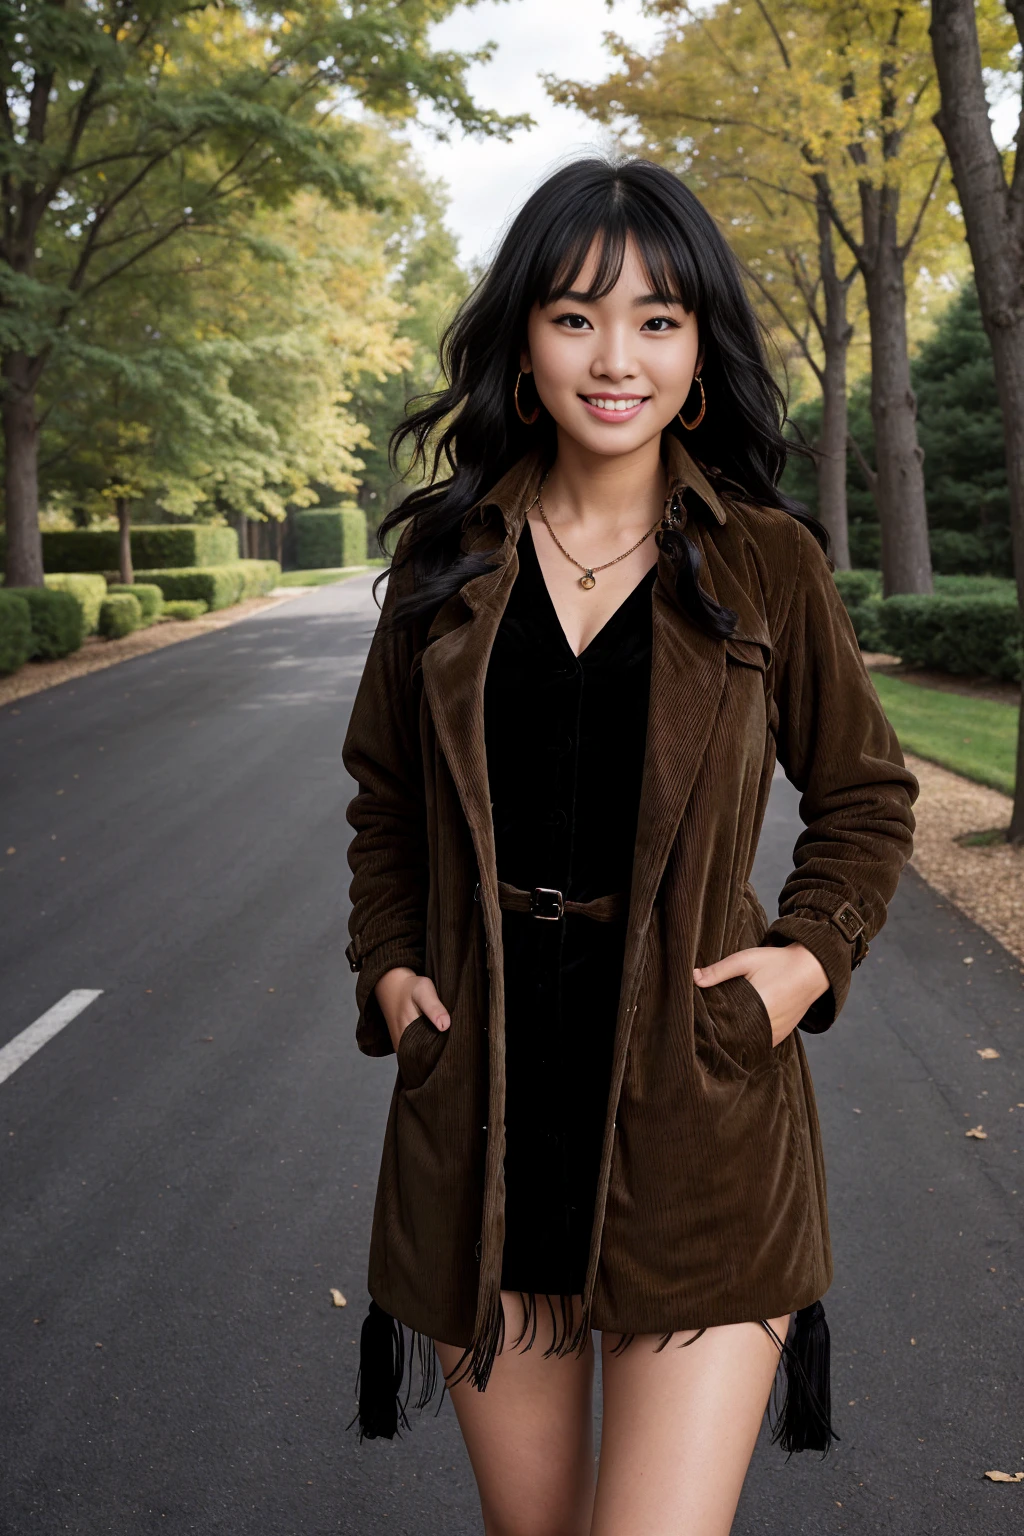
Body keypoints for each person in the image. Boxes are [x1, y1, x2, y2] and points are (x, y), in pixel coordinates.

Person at [341, 157, 917, 1536]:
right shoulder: (445, 564)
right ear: (521, 344)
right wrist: (389, 970)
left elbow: (866, 798)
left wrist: (799, 965)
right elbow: (384, 803)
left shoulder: (765, 561)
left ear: (701, 348)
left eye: (658, 319)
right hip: (485, 1131)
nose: (617, 358)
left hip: (698, 1127)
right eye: (576, 316)